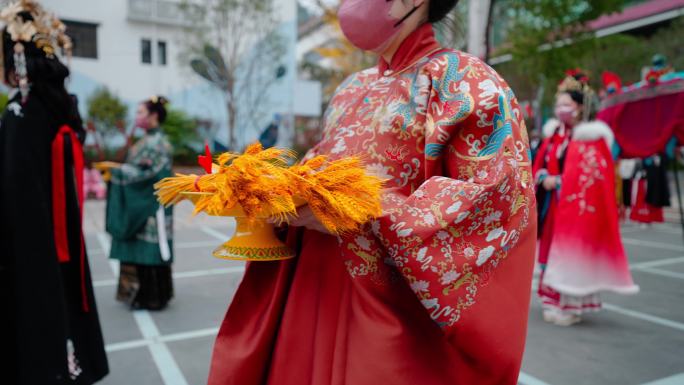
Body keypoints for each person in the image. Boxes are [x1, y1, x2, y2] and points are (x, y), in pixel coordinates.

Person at [208, 1, 536, 384]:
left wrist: (362, 211)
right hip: (312, 292)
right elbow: (317, 169)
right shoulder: (352, 88)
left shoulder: (465, 81)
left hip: (390, 317)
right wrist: (274, 192)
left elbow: (494, 200)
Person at [0, 1, 109, 383]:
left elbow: (13, 197)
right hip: (62, 243)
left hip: (29, 246)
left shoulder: (20, 114)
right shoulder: (61, 111)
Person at [533, 71, 639, 326]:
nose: (560, 109)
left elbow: (593, 178)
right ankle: (552, 301)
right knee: (549, 252)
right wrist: (544, 177)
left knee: (571, 254)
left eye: (566, 105)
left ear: (580, 107)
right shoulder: (552, 136)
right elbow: (537, 165)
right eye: (558, 105)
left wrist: (560, 181)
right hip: (552, 206)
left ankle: (570, 305)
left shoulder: (590, 139)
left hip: (573, 209)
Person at [98, 96, 175, 310]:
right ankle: (141, 295)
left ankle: (153, 297)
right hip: (142, 201)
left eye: (141, 112)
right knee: (138, 248)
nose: (137, 117)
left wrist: (116, 171)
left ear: (154, 116)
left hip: (152, 204)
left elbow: (149, 174)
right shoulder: (146, 141)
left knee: (150, 250)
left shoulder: (159, 143)